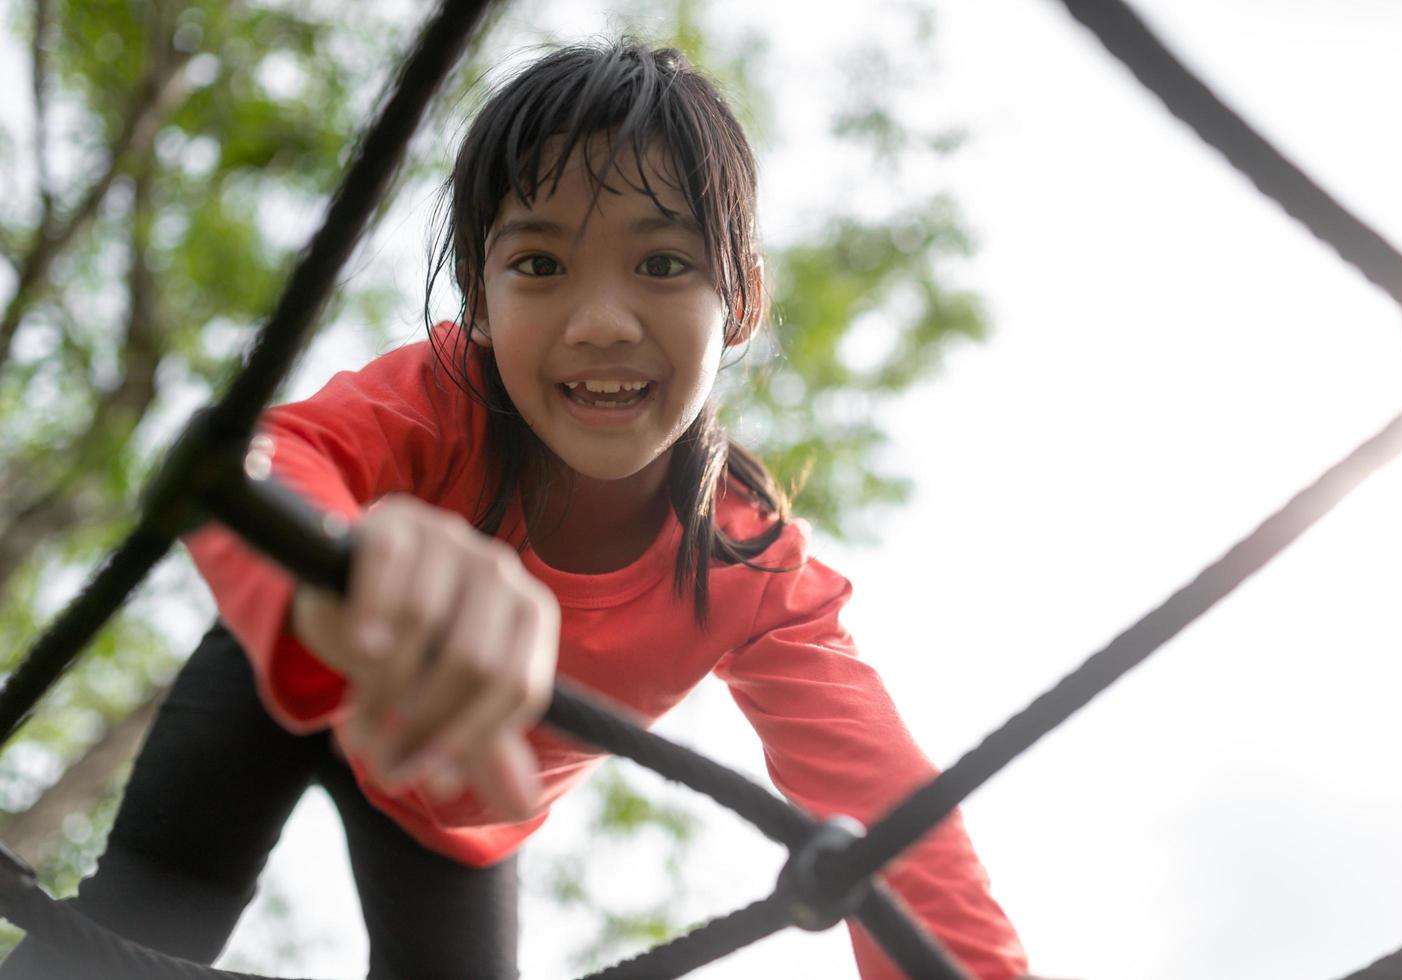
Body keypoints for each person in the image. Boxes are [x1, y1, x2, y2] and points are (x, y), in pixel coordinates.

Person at [1, 41, 1029, 980]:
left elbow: (896, 824)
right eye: (539, 264)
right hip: (288, 679)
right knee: (118, 952)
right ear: (480, 306)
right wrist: (339, 564)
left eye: (663, 262)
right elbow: (275, 456)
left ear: (744, 298)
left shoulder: (750, 567)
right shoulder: (443, 397)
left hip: (456, 804)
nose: (600, 322)